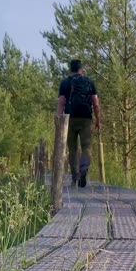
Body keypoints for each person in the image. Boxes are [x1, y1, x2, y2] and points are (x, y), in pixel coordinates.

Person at [57, 59, 101, 188]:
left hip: (69, 119)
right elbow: (96, 103)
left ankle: (74, 176)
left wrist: (59, 121)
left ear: (71, 69)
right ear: (81, 69)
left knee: (72, 149)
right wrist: (98, 119)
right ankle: (84, 168)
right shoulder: (89, 82)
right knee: (86, 146)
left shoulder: (65, 83)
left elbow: (61, 102)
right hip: (86, 118)